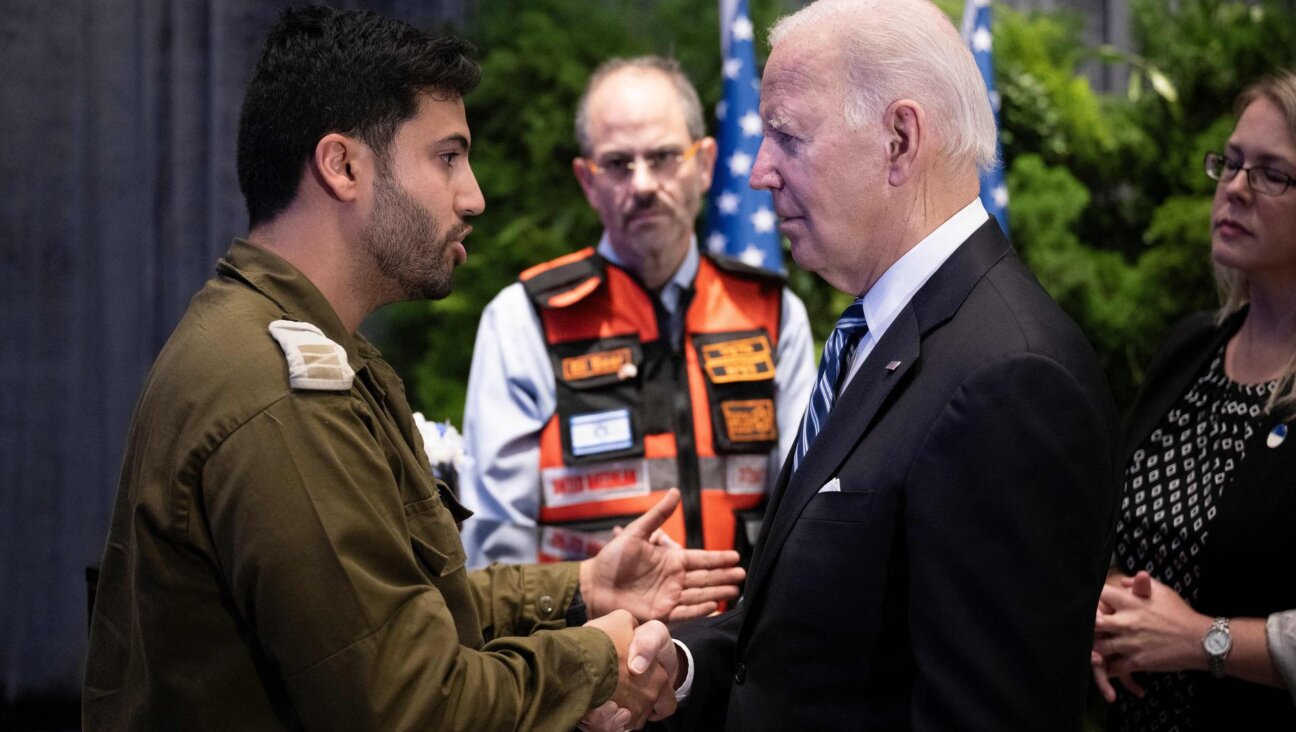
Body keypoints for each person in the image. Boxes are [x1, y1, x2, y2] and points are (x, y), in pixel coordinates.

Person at [82, 8, 746, 730]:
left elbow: (398, 608)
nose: (474, 197)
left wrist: (582, 588)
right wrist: (594, 661)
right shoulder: (279, 391)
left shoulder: (299, 353)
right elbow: (412, 705)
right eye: (448, 157)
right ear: (343, 167)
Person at [663, 0, 1122, 728]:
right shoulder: (883, 331)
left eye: (786, 136)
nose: (757, 171)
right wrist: (678, 666)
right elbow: (810, 638)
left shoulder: (1010, 378)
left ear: (900, 140)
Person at [459, 57, 815, 568]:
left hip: (743, 634)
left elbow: (803, 504)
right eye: (619, 163)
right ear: (587, 181)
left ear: (707, 163)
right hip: (590, 641)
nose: (643, 184)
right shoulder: (526, 318)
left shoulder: (772, 311)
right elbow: (496, 538)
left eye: (665, 156)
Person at [1091, 71, 1296, 731]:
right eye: (1231, 164)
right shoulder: (1191, 349)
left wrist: (1202, 640)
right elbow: (1115, 528)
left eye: (1271, 174)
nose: (1234, 189)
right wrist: (1110, 607)